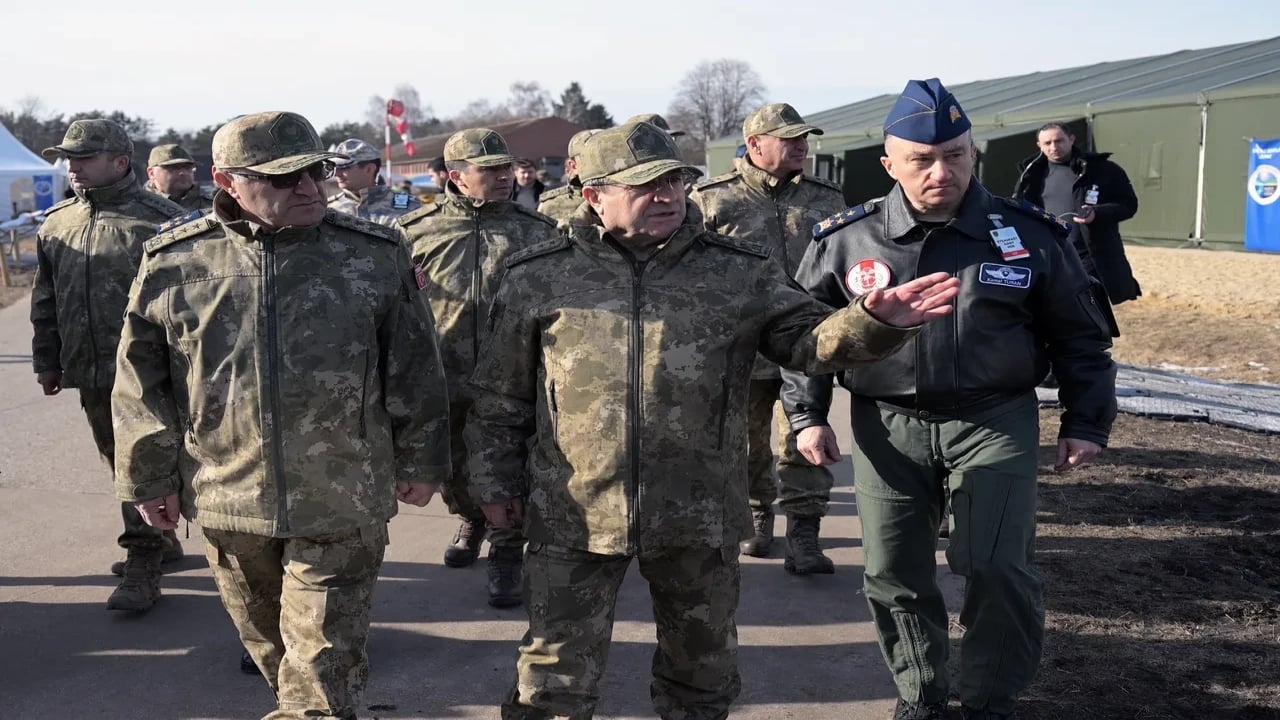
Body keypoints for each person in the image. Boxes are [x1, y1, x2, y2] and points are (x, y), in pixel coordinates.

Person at [466, 120, 960, 720]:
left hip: (698, 511)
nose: (668, 194)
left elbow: (804, 341)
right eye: (645, 184)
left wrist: (870, 322)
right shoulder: (537, 274)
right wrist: (494, 488)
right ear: (593, 194)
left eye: (675, 179)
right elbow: (501, 399)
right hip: (574, 513)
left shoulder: (735, 270)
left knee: (700, 677)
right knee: (552, 680)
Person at [781, 79, 1118, 720]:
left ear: (973, 153)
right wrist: (807, 414)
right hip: (886, 422)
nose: (943, 171)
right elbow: (808, 339)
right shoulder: (847, 240)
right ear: (889, 164)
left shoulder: (1029, 235)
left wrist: (1086, 422)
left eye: (957, 155)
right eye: (922, 159)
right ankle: (921, 694)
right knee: (894, 571)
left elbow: (1081, 337)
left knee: (997, 566)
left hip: (994, 417)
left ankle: (991, 701)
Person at [112, 111, 452, 720]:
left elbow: (416, 367)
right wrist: (147, 477)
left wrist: (424, 458)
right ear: (227, 180)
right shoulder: (175, 262)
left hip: (343, 491)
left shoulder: (371, 255)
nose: (309, 190)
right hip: (227, 495)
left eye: (315, 173)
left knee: (318, 667)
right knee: (275, 652)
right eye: (283, 178)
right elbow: (142, 383)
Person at [396, 128, 558, 608]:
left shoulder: (538, 232)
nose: (504, 177)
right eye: (489, 170)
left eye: (506, 168)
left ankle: (507, 551)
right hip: (443, 374)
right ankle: (470, 516)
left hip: (514, 379)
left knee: (512, 464)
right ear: (456, 177)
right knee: (455, 466)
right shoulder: (415, 232)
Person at [31, 118, 186, 613]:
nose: (72, 168)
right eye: (69, 158)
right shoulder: (58, 223)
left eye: (84, 158)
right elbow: (45, 298)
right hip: (92, 372)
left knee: (145, 459)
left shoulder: (163, 220)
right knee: (118, 460)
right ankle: (160, 538)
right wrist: (48, 360)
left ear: (120, 162)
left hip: (154, 373)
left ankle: (143, 561)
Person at [690, 102, 847, 573]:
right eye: (789, 138)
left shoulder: (826, 198)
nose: (801, 146)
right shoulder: (712, 199)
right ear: (755, 144)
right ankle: (760, 515)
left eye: (805, 138)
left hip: (806, 341)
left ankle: (805, 534)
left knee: (807, 434)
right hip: (743, 345)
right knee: (745, 444)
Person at [1014, 122, 1141, 304]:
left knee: (1094, 312)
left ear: (1071, 139)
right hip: (1050, 257)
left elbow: (1129, 205)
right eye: (1047, 143)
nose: (1054, 147)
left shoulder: (1102, 169)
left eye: (1059, 141)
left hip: (1089, 257)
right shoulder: (1030, 174)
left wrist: (1097, 213)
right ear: (1039, 145)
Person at [327, 138, 422, 226]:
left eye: (344, 167)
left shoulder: (409, 205)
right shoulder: (328, 208)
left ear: (369, 169)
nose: (337, 174)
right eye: (335, 168)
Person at [536, 129, 598, 224]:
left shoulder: (624, 196)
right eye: (591, 158)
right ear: (573, 165)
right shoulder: (552, 206)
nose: (599, 164)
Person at [145, 143, 212, 211]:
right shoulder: (138, 207)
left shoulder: (213, 207)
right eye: (174, 167)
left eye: (187, 167)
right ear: (151, 173)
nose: (183, 173)